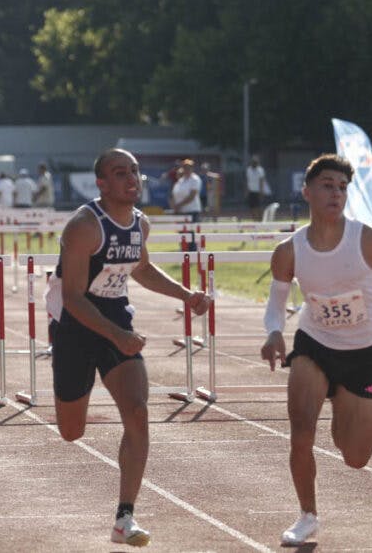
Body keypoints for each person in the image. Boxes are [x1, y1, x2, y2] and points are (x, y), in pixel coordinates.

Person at [261, 154, 372, 545]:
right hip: (314, 344)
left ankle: (342, 402)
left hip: (362, 352)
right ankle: (307, 515)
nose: (335, 193)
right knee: (301, 431)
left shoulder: (371, 240)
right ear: (307, 191)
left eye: (342, 187)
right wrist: (274, 333)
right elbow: (276, 304)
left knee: (356, 457)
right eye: (327, 185)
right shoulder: (289, 250)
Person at [45, 148, 210, 547]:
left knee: (137, 412)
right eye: (121, 173)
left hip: (116, 316)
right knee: (71, 431)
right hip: (74, 325)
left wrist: (186, 295)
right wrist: (115, 335)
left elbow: (142, 268)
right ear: (101, 183)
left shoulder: (140, 223)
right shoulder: (84, 226)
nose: (132, 179)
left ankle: (125, 517)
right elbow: (72, 297)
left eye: (135, 171)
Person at [245, 156, 268, 221]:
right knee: (252, 207)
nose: (254, 164)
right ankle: (254, 220)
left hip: (258, 191)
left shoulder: (260, 170)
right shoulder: (248, 170)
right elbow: (247, 180)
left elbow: (262, 181)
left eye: (255, 162)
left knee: (259, 207)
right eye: (253, 162)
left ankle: (260, 220)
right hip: (251, 191)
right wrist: (246, 191)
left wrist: (262, 191)